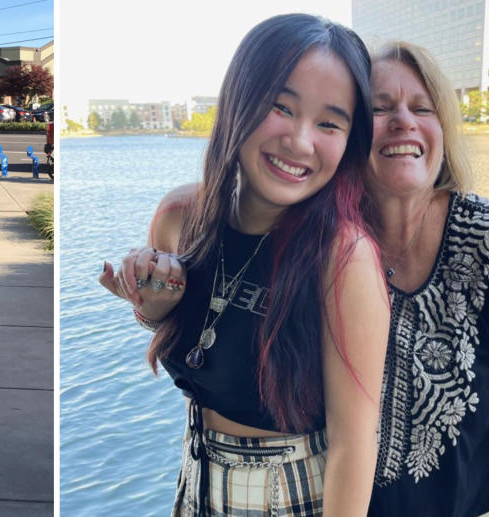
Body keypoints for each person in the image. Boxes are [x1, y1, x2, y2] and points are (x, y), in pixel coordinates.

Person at [99, 14, 391, 516]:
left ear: (349, 141)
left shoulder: (343, 256)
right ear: (239, 99)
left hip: (295, 496)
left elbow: (355, 445)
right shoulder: (180, 217)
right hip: (195, 480)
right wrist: (153, 308)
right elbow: (199, 341)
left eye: (329, 123)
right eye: (281, 107)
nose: (300, 142)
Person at [362, 42, 489, 517]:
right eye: (379, 108)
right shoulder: (329, 244)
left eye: (422, 107)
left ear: (444, 129)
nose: (404, 121)